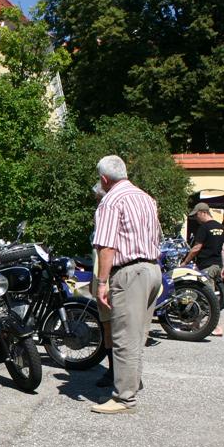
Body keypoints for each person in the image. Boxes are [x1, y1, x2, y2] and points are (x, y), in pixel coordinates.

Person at [91, 155, 162, 415]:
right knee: (138, 335)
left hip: (129, 272)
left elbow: (107, 246)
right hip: (152, 269)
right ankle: (130, 386)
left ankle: (124, 398)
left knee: (123, 337)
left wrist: (101, 283)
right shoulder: (145, 197)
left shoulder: (111, 201)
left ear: (104, 179)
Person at [181, 202, 224, 336]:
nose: (196, 219)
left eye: (196, 215)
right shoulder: (220, 227)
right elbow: (223, 248)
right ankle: (196, 324)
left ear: (203, 212)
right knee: (206, 296)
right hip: (217, 265)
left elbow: (196, 247)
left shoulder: (204, 228)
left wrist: (184, 262)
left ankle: (216, 327)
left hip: (207, 266)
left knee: (207, 298)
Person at [89, 182, 116, 388]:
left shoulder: (107, 210)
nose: (97, 202)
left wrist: (101, 283)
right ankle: (122, 373)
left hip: (107, 277)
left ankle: (114, 372)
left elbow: (105, 250)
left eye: (97, 198)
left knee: (110, 328)